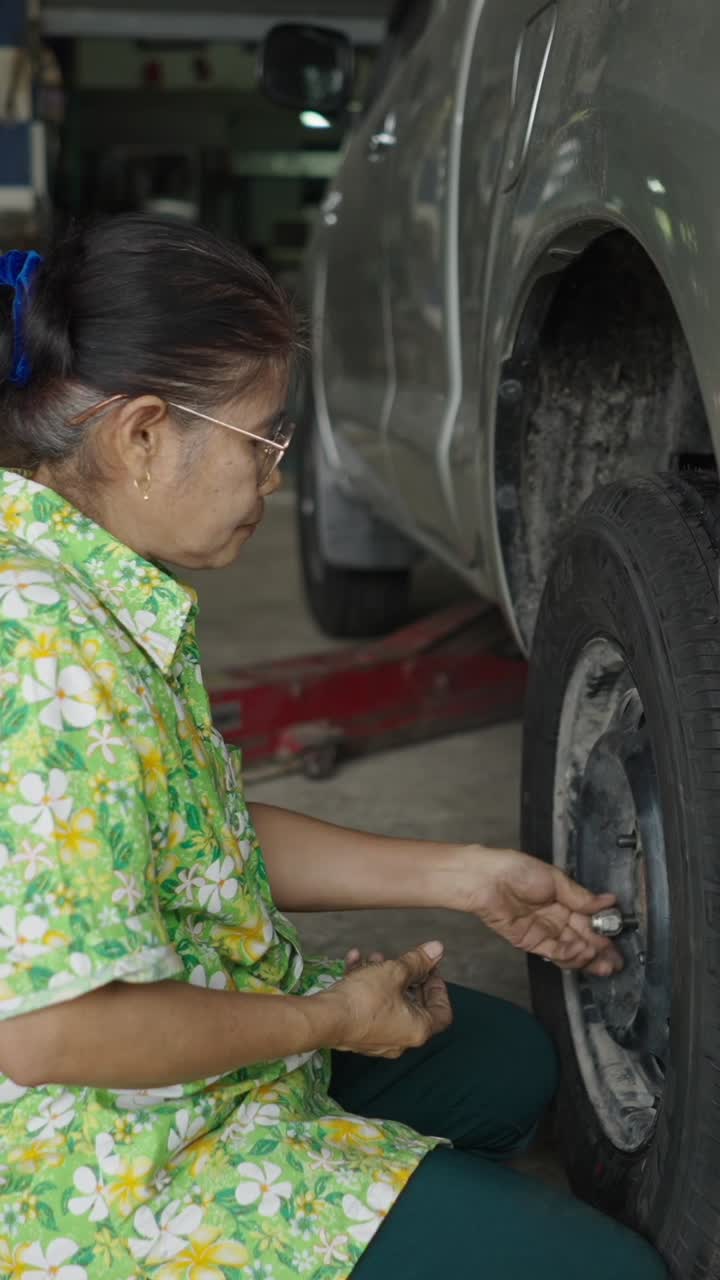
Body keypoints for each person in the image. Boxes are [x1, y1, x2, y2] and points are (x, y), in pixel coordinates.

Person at [0, 218, 667, 1280]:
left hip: (169, 1074)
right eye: (265, 439)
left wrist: (465, 875)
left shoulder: (78, 574)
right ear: (138, 434)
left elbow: (193, 828)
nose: (278, 477)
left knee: (504, 1071)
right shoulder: (45, 650)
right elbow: (44, 1032)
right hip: (97, 1170)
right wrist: (317, 1016)